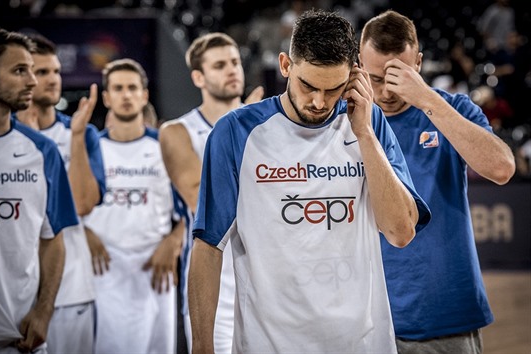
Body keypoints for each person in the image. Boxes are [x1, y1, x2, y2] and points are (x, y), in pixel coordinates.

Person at [188, 9, 431, 353]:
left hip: (363, 344)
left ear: (354, 75)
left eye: (333, 89)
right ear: (286, 65)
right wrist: (202, 345)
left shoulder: (369, 125)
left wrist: (363, 133)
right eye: (308, 85)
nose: (319, 101)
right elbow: (208, 247)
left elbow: (401, 231)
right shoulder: (236, 133)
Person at [359, 10, 516, 353]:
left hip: (444, 315)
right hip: (365, 319)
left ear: (418, 62)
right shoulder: (347, 121)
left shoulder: (453, 109)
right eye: (374, 77)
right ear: (358, 63)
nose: (385, 91)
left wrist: (426, 99)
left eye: (396, 76)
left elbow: (502, 168)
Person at [0, 28, 79, 353]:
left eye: (34, 70)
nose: (32, 80)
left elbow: (54, 241)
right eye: (20, 71)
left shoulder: (43, 152)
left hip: (19, 340)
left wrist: (44, 311)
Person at [159, 32, 263, 354]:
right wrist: (245, 131)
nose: (232, 70)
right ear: (198, 77)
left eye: (234, 62)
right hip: (214, 283)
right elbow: (202, 198)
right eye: (219, 65)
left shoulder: (265, 123)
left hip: (265, 275)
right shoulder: (177, 131)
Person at [82, 58, 183, 354]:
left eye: (132, 88)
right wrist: (83, 233)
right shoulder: (90, 149)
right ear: (106, 97)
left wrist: (173, 241)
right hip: (103, 269)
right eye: (118, 88)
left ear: (144, 95)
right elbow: (68, 204)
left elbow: (193, 207)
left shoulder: (166, 147)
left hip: (156, 269)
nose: (126, 95)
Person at [14, 33, 105, 354]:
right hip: (13, 297)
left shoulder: (82, 131)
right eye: (41, 72)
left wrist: (77, 138)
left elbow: (81, 203)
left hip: (72, 291)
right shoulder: (2, 134)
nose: (52, 79)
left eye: (55, 71)